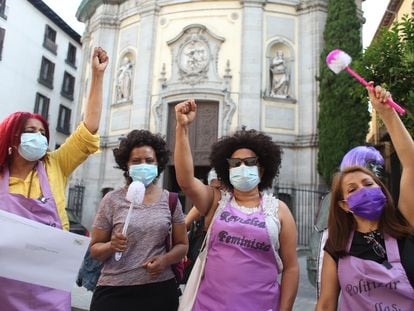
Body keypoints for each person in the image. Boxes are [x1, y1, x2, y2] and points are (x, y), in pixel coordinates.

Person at [0, 47, 108, 310]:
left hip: (49, 283)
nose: (39, 136)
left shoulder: (55, 164)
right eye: (30, 131)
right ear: (13, 137)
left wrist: (97, 76)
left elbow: (88, 128)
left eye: (42, 132)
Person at [175, 99, 299, 310]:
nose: (243, 167)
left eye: (250, 163)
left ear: (261, 170)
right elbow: (186, 181)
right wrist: (182, 128)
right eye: (235, 163)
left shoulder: (279, 210)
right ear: (228, 170)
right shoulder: (216, 201)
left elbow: (292, 268)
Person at [316, 84, 414, 310]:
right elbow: (326, 304)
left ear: (380, 188)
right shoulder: (336, 246)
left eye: (368, 184)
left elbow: (410, 163)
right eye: (352, 189)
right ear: (344, 205)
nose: (363, 190)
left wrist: (387, 113)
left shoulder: (404, 223)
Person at [89, 129, 188, 311]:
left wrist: (164, 261)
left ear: (158, 164)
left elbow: (182, 245)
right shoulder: (111, 200)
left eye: (149, 161)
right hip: (114, 292)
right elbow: (95, 250)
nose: (144, 165)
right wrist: (111, 246)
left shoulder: (171, 200)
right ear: (126, 165)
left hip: (160, 291)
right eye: (136, 161)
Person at [309, 146, 385, 297]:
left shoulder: (381, 200)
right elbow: (323, 244)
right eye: (371, 165)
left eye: (378, 168)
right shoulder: (334, 201)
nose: (376, 172)